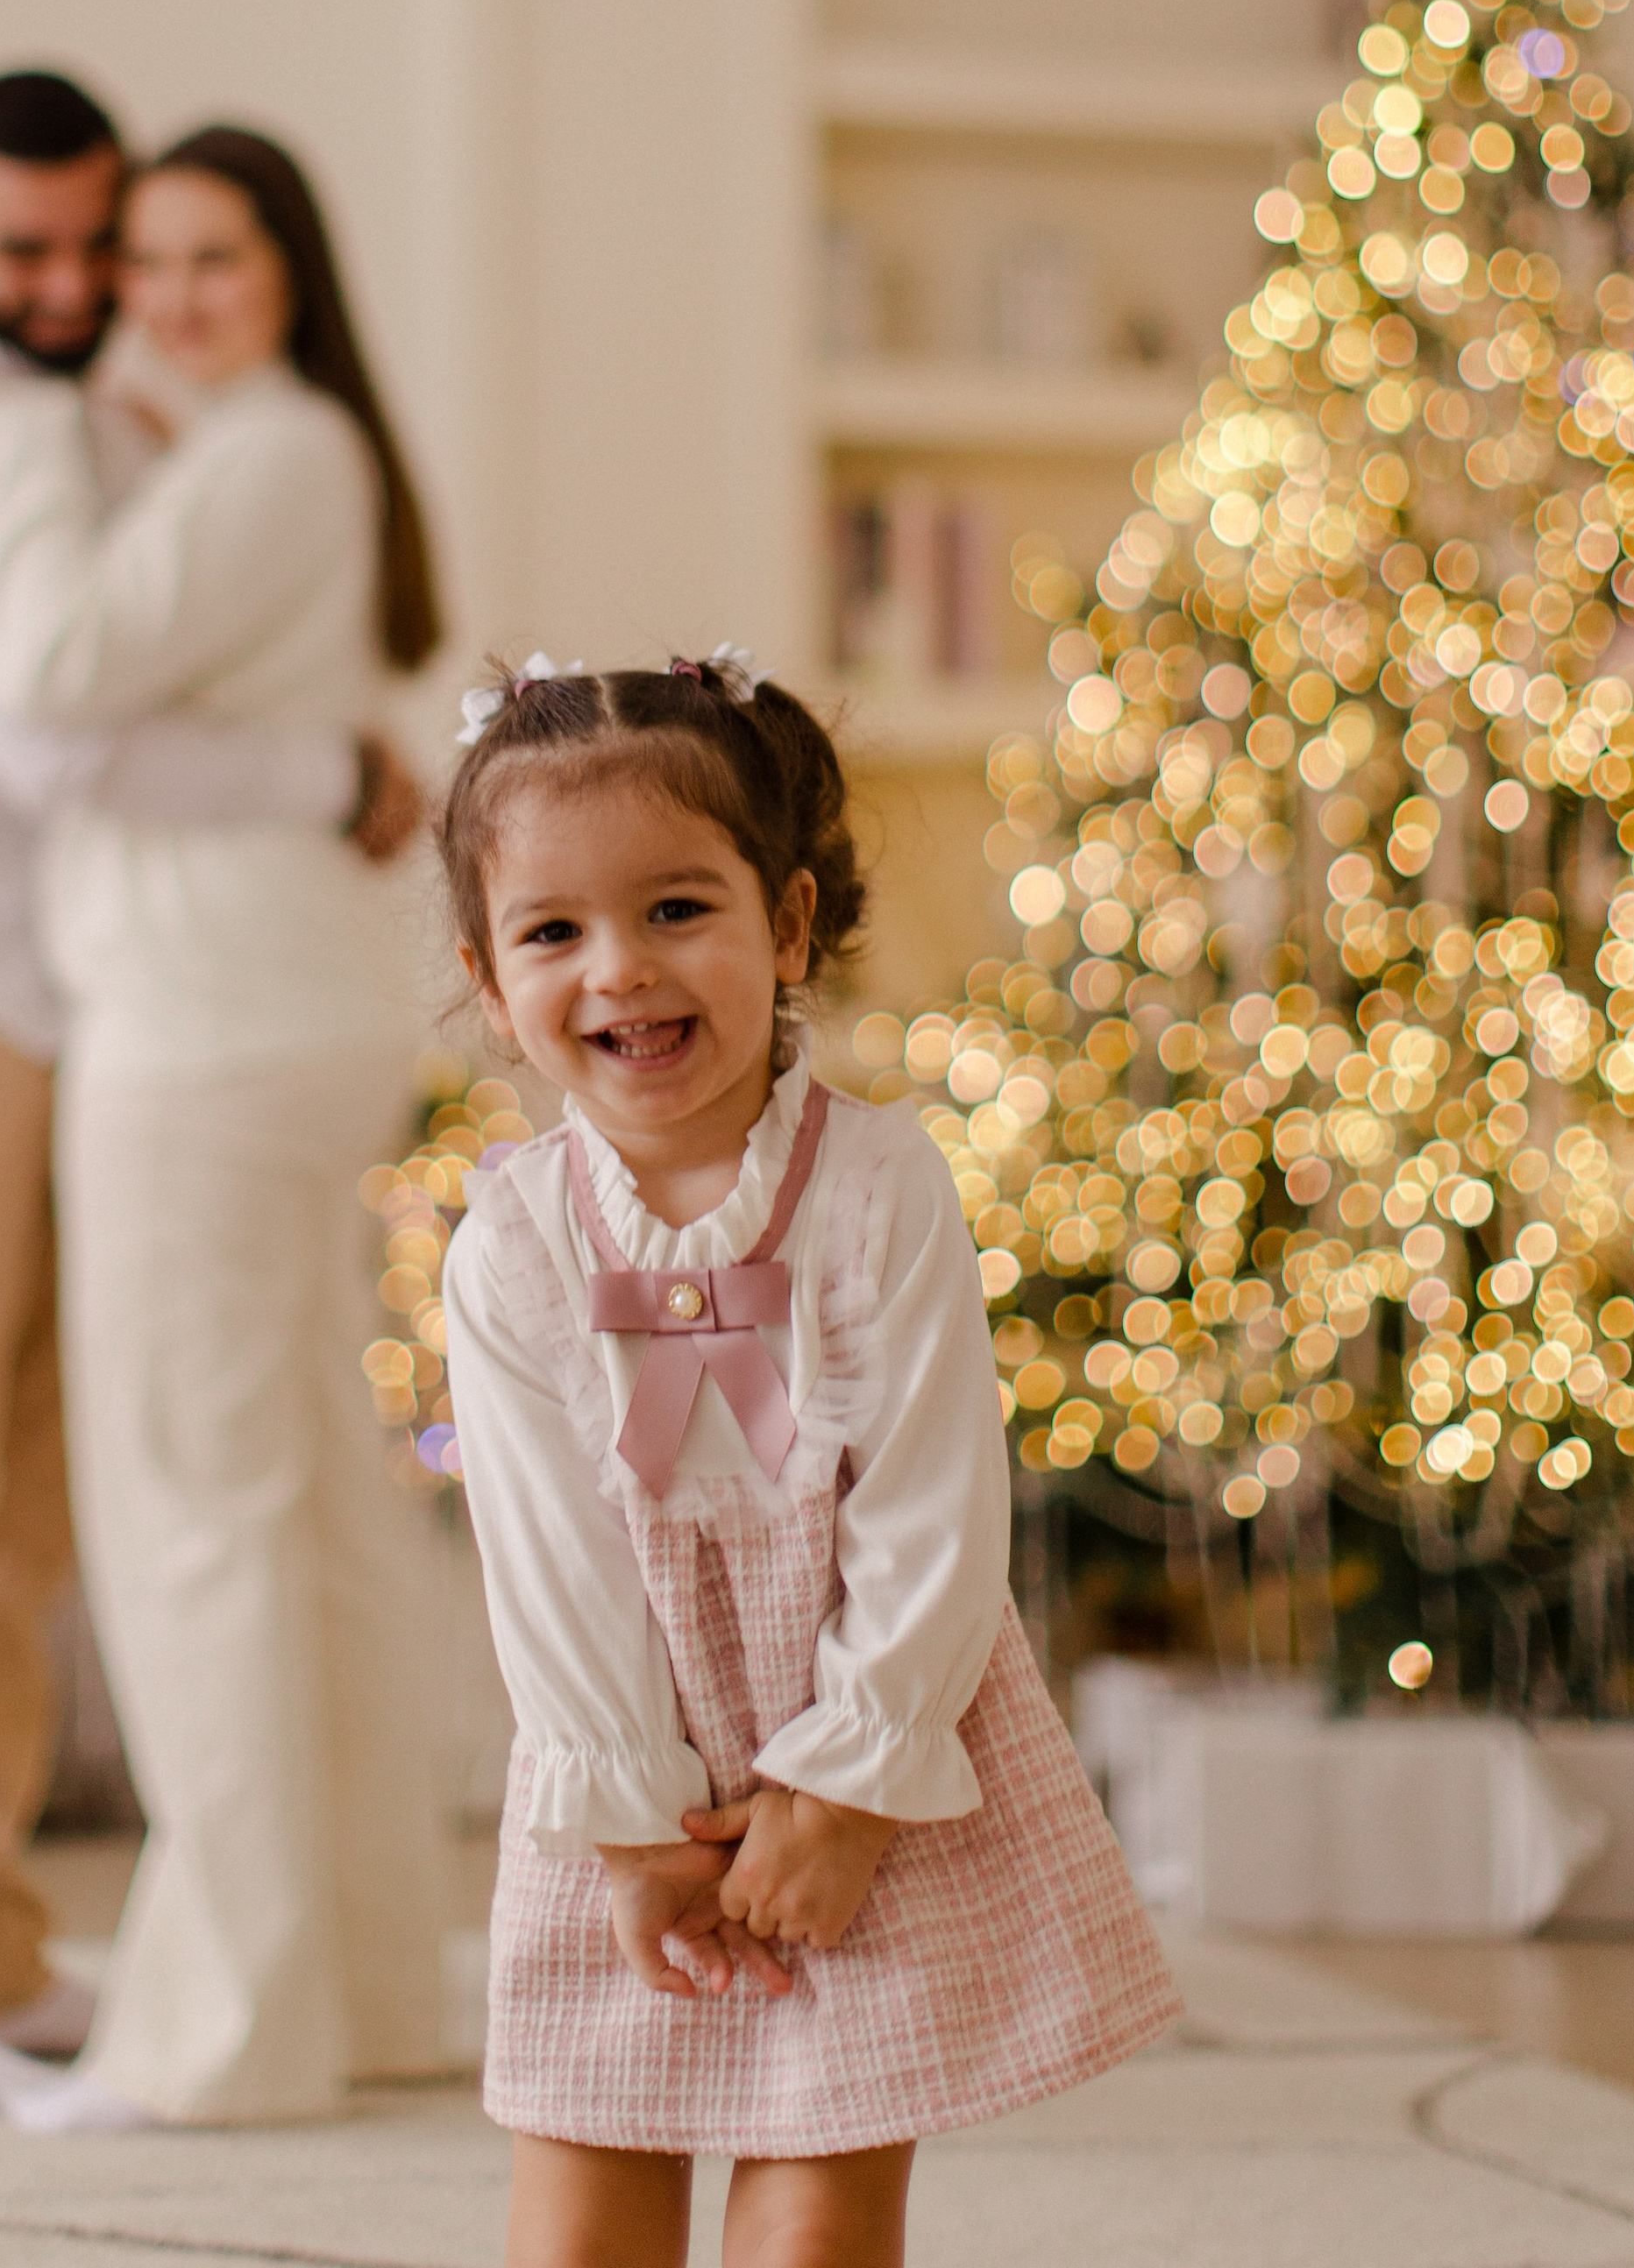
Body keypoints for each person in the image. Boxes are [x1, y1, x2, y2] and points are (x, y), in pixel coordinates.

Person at [0, 72, 413, 2121]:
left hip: (82, 1008)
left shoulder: (140, 423)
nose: (66, 284)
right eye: (23, 250)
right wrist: (333, 773)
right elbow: (51, 743)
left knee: (18, 1505)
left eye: (92, 246)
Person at [437, 655, 1181, 2268]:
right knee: (579, 2205)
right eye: (553, 933)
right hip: (621, 1761)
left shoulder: (878, 1193)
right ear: (493, 983)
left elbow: (931, 1505)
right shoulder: (510, 1250)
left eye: (676, 910)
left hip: (861, 1754)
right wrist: (636, 1827)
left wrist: (845, 1785)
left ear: (785, 927)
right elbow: (553, 1566)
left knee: (823, 2210)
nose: (620, 971)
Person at [0, 125, 457, 2130]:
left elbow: (52, 668)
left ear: (289, 270)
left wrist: (13, 439)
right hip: (267, 1020)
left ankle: (234, 2034)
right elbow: (125, 732)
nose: (160, 294)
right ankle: (365, 1987)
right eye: (140, 260)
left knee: (196, 1520)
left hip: (201, 1036)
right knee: (302, 1514)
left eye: (208, 256)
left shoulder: (263, 457)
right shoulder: (274, 456)